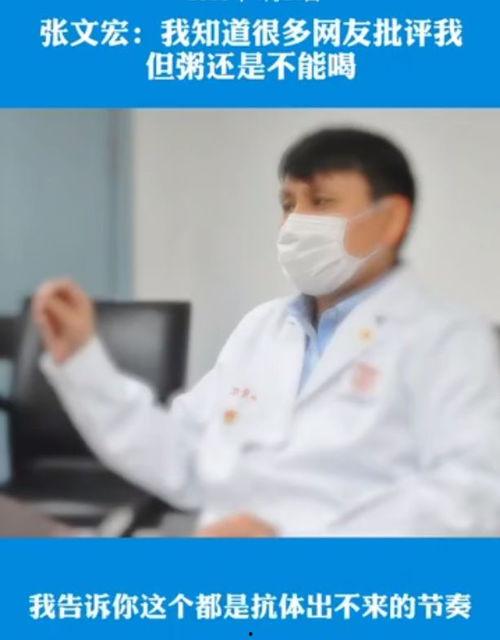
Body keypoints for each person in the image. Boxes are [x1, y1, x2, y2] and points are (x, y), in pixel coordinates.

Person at [32, 127, 500, 537]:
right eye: (288, 204)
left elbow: (474, 496)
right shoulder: (263, 327)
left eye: (321, 202)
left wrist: (296, 540)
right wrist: (82, 361)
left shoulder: (449, 339)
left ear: (391, 219)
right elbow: (185, 456)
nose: (295, 223)